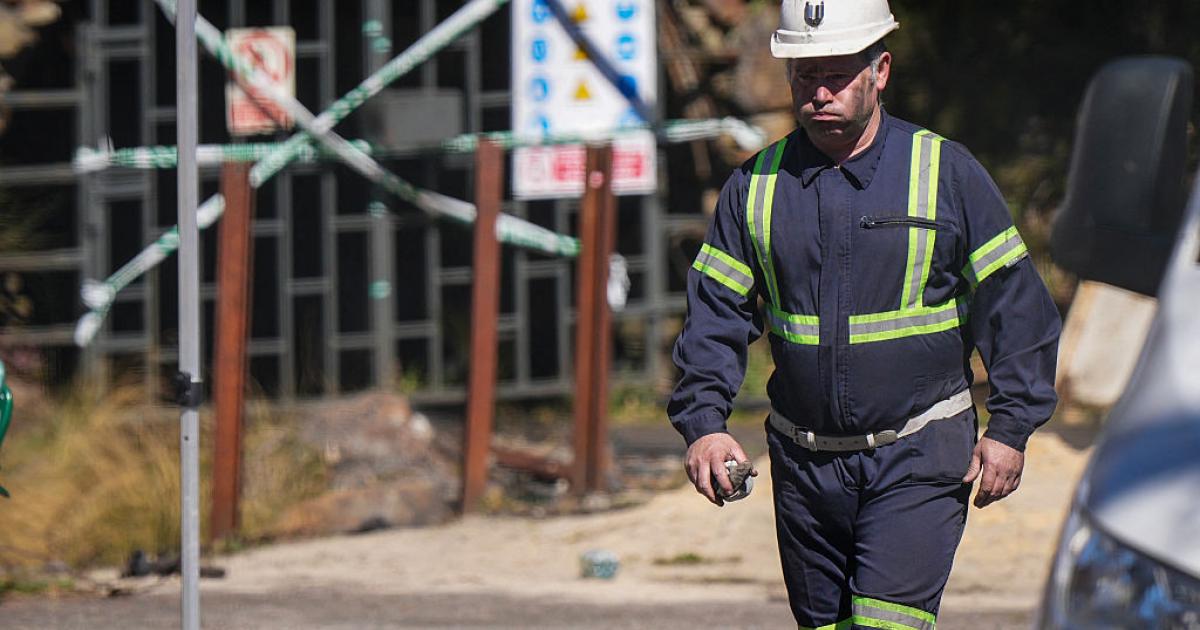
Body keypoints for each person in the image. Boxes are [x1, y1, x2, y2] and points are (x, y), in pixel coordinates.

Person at [666, 0, 1061, 627]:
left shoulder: (945, 173)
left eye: (837, 74)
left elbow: (1015, 307)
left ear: (880, 70)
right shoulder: (755, 189)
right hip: (804, 468)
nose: (819, 92)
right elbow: (715, 317)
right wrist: (704, 424)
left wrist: (1012, 427)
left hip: (920, 452)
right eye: (803, 75)